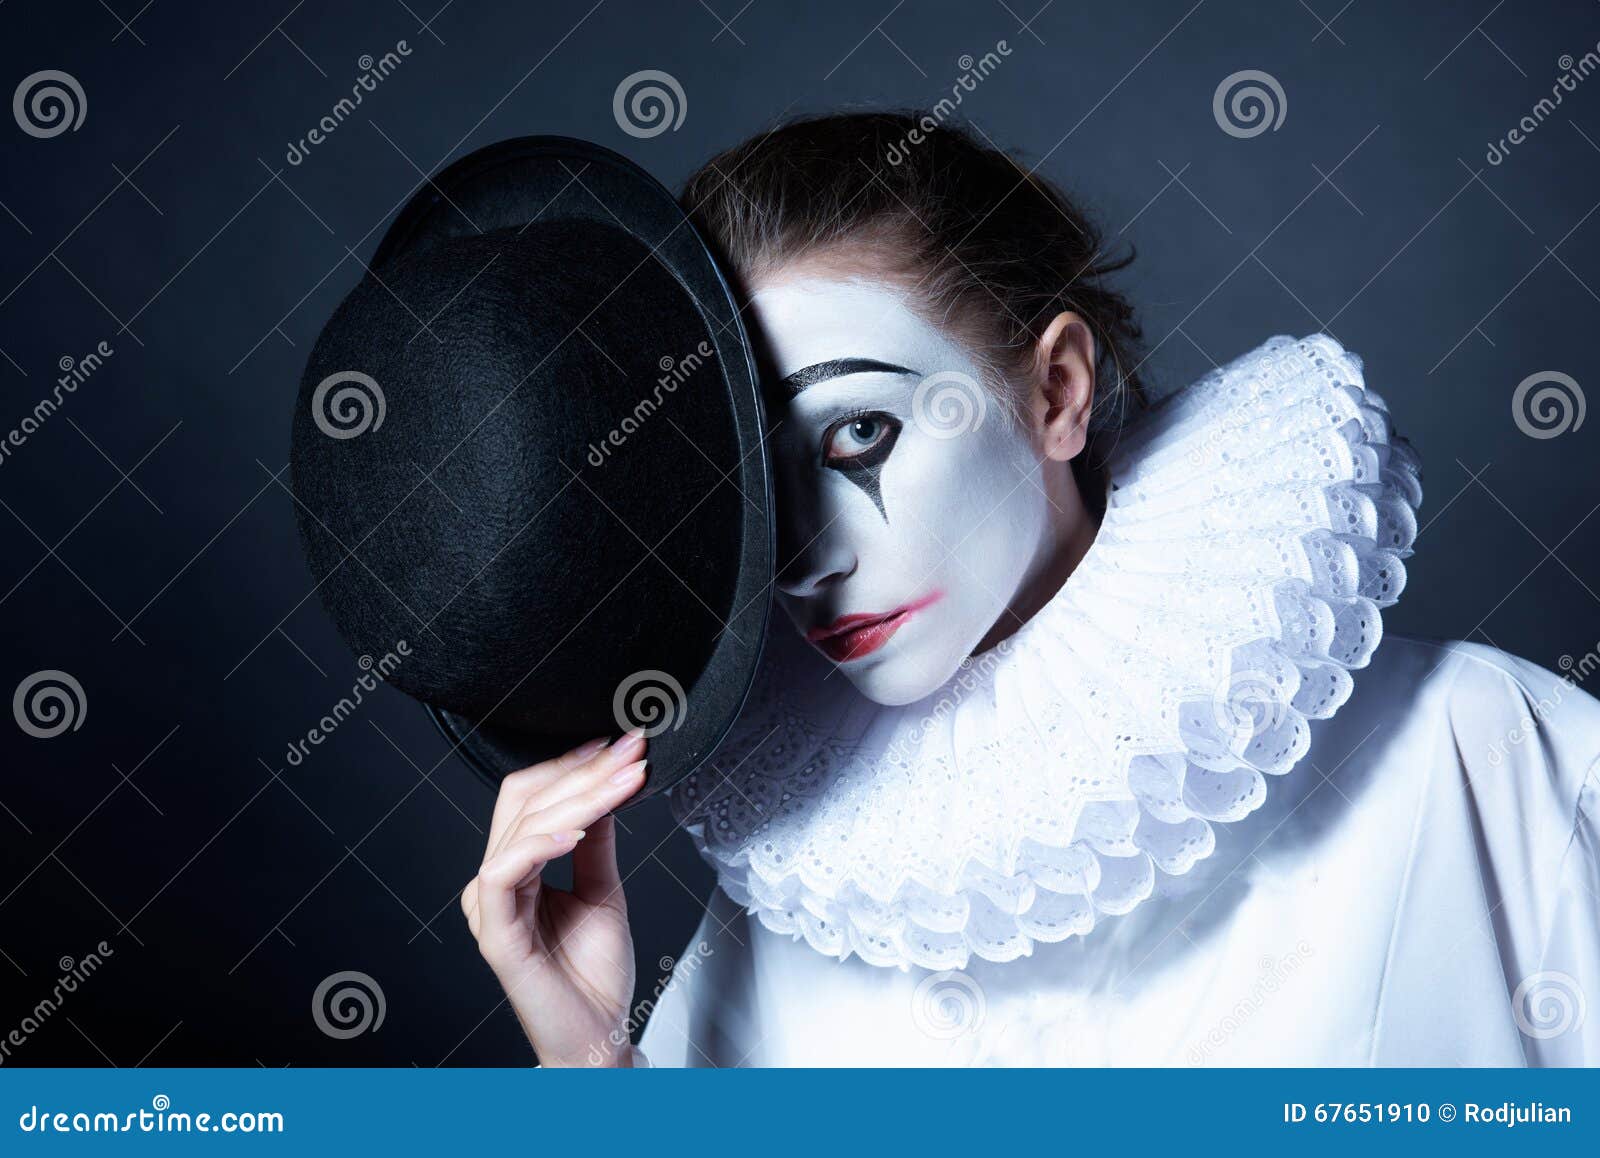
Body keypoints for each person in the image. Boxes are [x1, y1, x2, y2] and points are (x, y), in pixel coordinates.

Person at [461, 112, 1600, 1066]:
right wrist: (596, 1070)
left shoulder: (1475, 750)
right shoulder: (814, 890)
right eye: (751, 486)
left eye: (859, 432)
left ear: (1055, 389)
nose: (803, 554)